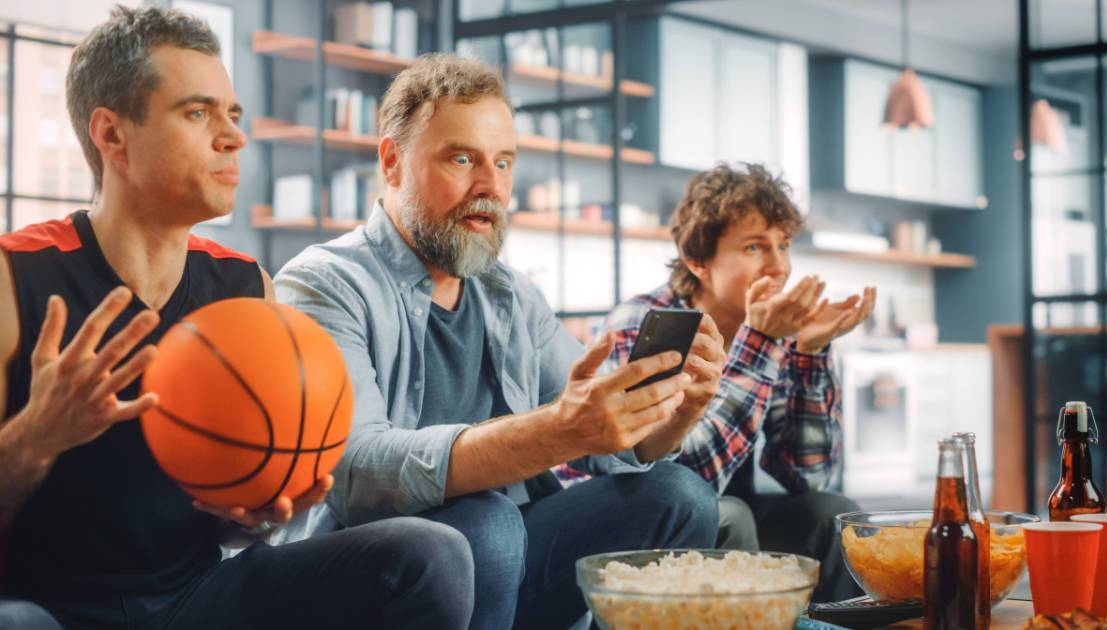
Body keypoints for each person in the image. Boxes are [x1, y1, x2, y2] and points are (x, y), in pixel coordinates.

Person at [0, 7, 472, 629]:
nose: (233, 137)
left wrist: (255, 509)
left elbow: (231, 529)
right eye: (197, 113)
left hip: (196, 601)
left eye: (232, 116)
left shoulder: (246, 286)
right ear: (112, 135)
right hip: (49, 608)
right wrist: (36, 436)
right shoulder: (15, 278)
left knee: (429, 555)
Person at [274, 53, 721, 630]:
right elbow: (355, 473)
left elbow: (606, 444)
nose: (490, 186)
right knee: (487, 521)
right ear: (392, 162)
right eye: (462, 159)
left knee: (679, 497)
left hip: (497, 562)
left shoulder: (509, 293)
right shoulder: (323, 284)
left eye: (503, 162)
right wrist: (556, 429)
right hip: (373, 573)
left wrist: (673, 414)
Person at [580, 162, 876, 602]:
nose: (778, 266)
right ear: (697, 260)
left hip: (726, 508)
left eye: (784, 245)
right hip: (642, 518)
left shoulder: (774, 330)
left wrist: (809, 353)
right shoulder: (646, 324)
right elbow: (681, 485)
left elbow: (807, 476)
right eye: (756, 247)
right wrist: (761, 344)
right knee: (730, 514)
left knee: (834, 516)